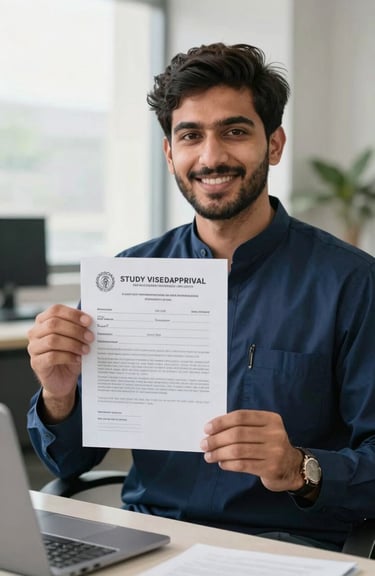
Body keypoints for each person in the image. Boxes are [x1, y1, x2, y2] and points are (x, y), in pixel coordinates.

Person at [27, 42, 375, 552]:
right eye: (191, 135)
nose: (211, 157)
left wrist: (301, 467)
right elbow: (70, 463)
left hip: (286, 547)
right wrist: (60, 396)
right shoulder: (127, 277)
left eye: (235, 131)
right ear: (170, 152)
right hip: (149, 541)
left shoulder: (353, 284)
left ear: (273, 144)